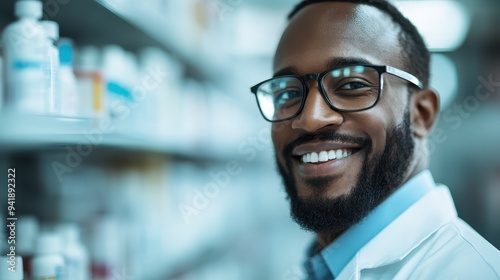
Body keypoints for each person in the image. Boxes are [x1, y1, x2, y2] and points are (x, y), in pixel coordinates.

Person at [249, 0, 500, 279]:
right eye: (288, 94)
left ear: (421, 113)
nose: (310, 119)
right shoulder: (322, 265)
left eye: (352, 85)